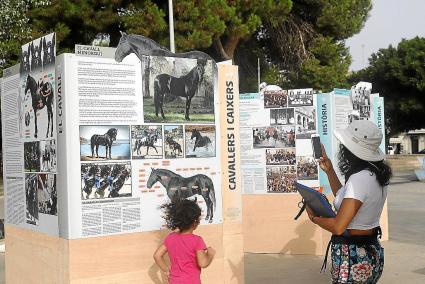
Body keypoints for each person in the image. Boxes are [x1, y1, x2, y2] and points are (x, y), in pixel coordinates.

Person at [306, 120, 392, 283]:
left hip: (352, 256)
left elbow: (339, 227)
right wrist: (330, 170)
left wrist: (315, 218)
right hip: (370, 252)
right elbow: (344, 196)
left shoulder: (359, 179)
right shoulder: (374, 174)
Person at [153, 199, 216, 284]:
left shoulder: (171, 237)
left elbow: (157, 256)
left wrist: (166, 271)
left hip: (174, 281)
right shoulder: (197, 240)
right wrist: (210, 254)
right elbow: (203, 263)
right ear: (194, 222)